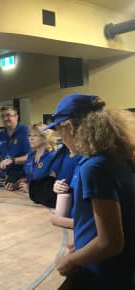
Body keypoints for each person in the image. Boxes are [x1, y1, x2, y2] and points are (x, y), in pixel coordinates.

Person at [44, 93, 135, 290]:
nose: (63, 140)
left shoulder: (94, 168)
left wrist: (70, 261)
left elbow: (111, 242)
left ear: (70, 127)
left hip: (102, 275)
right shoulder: (117, 158)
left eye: (61, 133)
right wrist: (84, 245)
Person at [0, 105, 31, 187]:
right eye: (3, 116)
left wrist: (12, 160)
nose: (5, 119)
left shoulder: (26, 132)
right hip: (6, 177)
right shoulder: (1, 135)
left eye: (8, 115)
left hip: (23, 178)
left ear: (17, 117)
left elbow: (32, 157)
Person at [13, 123, 56, 192]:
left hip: (45, 199)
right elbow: (30, 177)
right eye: (29, 135)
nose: (31, 138)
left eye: (35, 135)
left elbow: (53, 185)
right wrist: (18, 184)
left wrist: (31, 189)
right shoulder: (31, 156)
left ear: (45, 138)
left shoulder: (52, 156)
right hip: (28, 197)